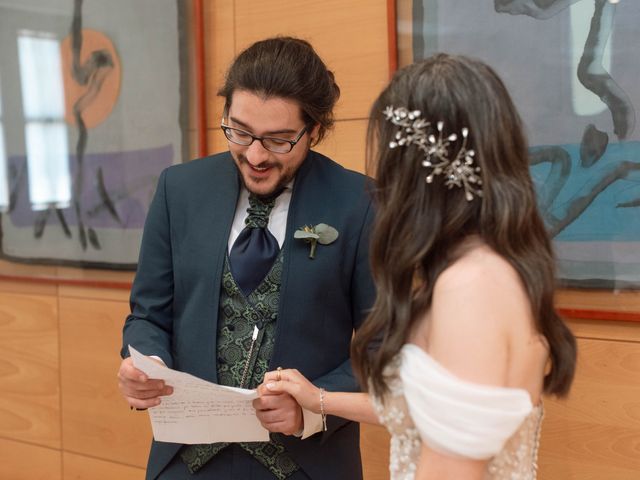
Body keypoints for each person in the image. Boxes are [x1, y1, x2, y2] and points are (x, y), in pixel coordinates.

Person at [262, 54, 578, 480]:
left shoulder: (470, 285)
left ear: (411, 169)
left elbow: (454, 468)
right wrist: (318, 398)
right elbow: (426, 413)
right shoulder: (492, 268)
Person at [117, 36, 375, 480]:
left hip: (306, 461)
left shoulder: (362, 202)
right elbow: (147, 315)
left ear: (313, 130)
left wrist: (313, 406)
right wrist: (147, 365)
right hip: (186, 461)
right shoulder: (178, 190)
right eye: (239, 131)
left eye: (277, 140)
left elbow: (383, 346)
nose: (255, 155)